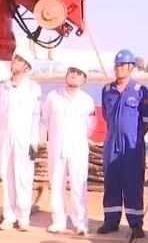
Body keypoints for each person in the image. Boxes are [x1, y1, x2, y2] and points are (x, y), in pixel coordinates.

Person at [98, 49, 148, 238]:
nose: (119, 68)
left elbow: (147, 120)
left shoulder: (140, 91)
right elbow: (106, 115)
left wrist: (133, 135)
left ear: (131, 67)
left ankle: (136, 224)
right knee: (111, 182)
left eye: (122, 65)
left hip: (132, 145)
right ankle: (111, 221)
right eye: (117, 65)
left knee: (133, 183)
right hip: (112, 143)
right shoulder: (107, 90)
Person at [0, 49, 43, 231]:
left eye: (19, 60)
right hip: (5, 137)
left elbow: (36, 116)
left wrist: (34, 141)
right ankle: (9, 216)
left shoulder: (33, 88)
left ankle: (23, 217)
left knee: (23, 177)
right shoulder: (2, 86)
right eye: (15, 58)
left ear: (26, 67)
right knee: (7, 176)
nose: (14, 61)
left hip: (24, 139)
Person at [41, 60, 97, 235]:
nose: (74, 74)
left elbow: (90, 125)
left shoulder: (87, 101)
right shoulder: (53, 96)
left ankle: (81, 222)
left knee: (78, 184)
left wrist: (77, 138)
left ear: (84, 80)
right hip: (56, 147)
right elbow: (45, 119)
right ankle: (58, 221)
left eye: (78, 73)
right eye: (72, 71)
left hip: (78, 148)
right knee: (56, 183)